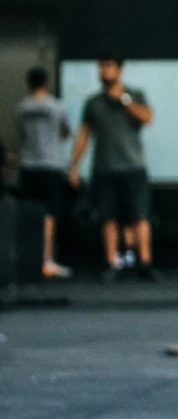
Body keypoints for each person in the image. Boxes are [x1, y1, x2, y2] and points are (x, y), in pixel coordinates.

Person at [68, 57, 157, 282]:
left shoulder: (134, 95)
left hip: (133, 166)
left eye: (108, 66)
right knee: (108, 217)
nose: (104, 70)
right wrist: (74, 165)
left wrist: (124, 100)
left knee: (140, 216)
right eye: (101, 66)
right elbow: (84, 134)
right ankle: (112, 263)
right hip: (105, 168)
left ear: (119, 69)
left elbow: (148, 118)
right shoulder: (94, 102)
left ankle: (144, 263)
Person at [15, 68, 73, 278]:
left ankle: (28, 261)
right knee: (49, 215)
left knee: (29, 214)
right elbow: (65, 132)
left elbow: (21, 134)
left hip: (29, 166)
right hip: (51, 166)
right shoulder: (56, 106)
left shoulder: (22, 107)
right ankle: (46, 261)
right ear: (47, 82)